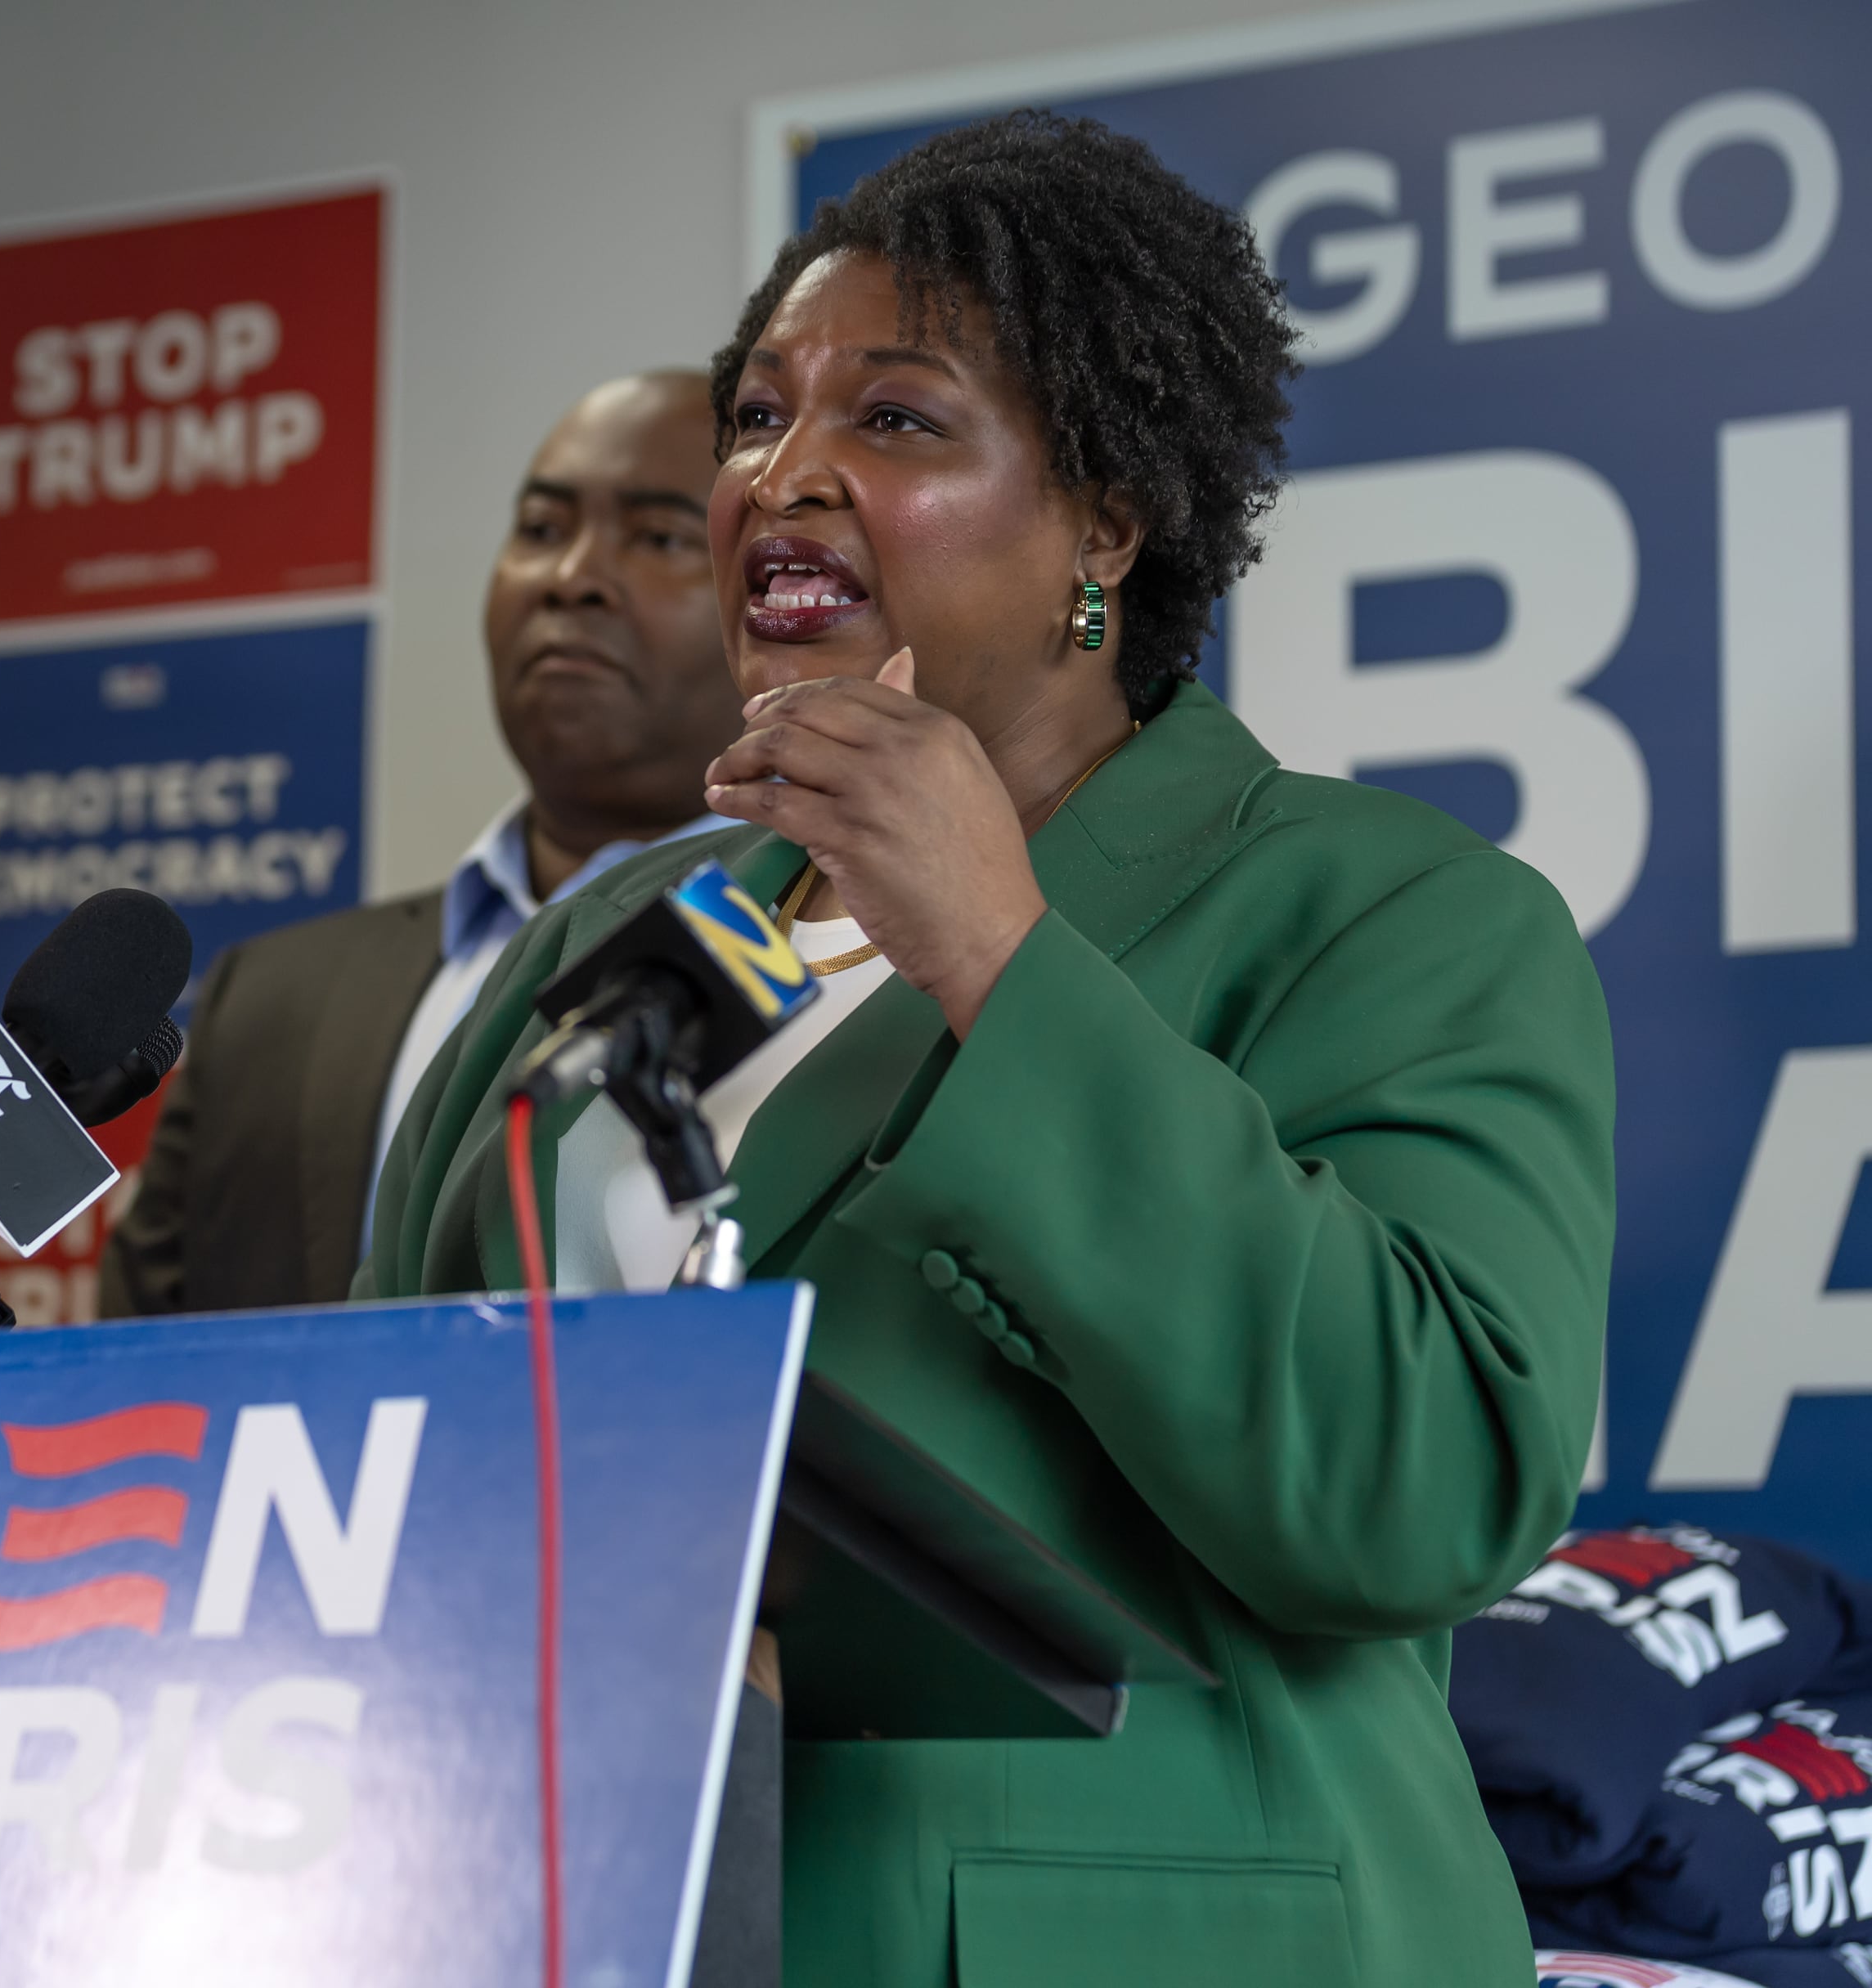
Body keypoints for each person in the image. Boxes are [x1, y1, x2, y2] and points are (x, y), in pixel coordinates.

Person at [361, 113, 1615, 1982]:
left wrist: (992, 949)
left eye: (892, 420)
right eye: (760, 417)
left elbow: (1415, 1486)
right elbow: (384, 1451)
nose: (783, 477)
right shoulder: (599, 941)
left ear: (1103, 518)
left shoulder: (1388, 915)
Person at [101, 370, 739, 1316]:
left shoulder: (843, 957)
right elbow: (138, 1382)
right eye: (540, 529)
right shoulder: (268, 1002)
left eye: (659, 537)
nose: (574, 579)